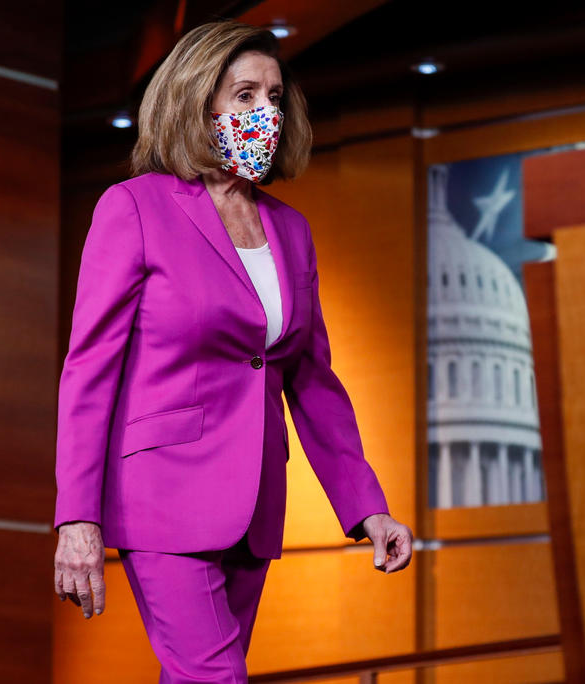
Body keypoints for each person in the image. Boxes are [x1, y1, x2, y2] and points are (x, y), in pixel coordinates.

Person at [52, 19, 413, 683]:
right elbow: (89, 372)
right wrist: (77, 516)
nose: (264, 112)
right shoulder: (134, 208)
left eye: (274, 98)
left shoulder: (291, 230)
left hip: (255, 504)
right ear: (198, 102)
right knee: (216, 678)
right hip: (162, 498)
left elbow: (312, 381)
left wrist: (367, 506)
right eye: (244, 96)